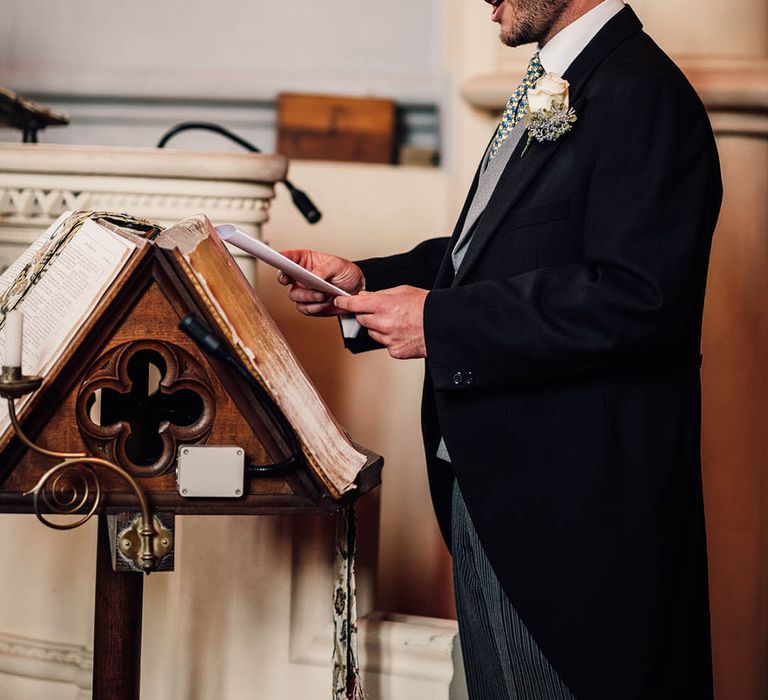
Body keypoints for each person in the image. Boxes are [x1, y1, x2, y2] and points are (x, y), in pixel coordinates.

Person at [278, 0, 722, 697]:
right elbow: (492, 252)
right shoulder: (556, 80)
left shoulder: (643, 94)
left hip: (571, 515)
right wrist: (367, 281)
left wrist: (444, 324)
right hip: (493, 486)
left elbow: (640, 298)